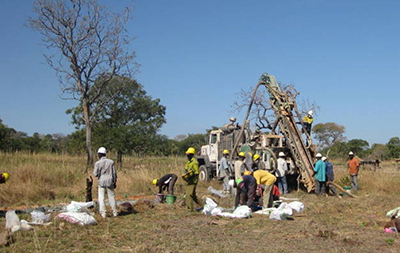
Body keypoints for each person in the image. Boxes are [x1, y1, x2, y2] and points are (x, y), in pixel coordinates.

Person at [93, 147, 118, 218]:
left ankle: (103, 213)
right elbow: (114, 173)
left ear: (99, 154)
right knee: (111, 197)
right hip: (110, 181)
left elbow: (95, 174)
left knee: (101, 198)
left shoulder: (97, 163)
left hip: (101, 182)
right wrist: (115, 181)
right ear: (105, 154)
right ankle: (115, 212)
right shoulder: (111, 162)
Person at [181, 147, 202, 211]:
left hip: (193, 181)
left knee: (188, 194)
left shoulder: (194, 162)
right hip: (189, 180)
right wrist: (186, 175)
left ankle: (190, 209)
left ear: (191, 154)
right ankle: (203, 205)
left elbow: (196, 173)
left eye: (188, 154)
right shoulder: (189, 162)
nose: (187, 155)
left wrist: (189, 177)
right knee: (193, 195)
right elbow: (186, 169)